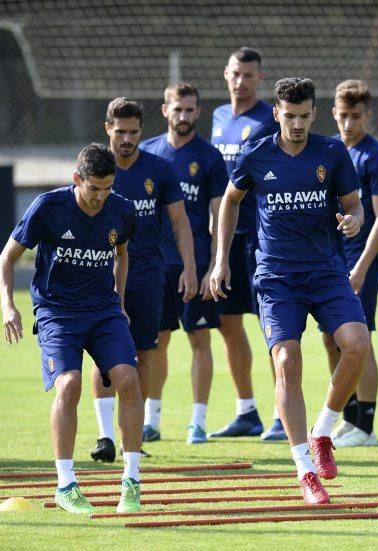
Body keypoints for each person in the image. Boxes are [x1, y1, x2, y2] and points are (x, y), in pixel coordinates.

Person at [210, 78, 370, 505]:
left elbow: (355, 204)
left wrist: (354, 220)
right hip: (277, 277)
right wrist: (221, 259)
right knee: (287, 359)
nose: (297, 124)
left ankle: (322, 432)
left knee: (356, 345)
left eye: (304, 116)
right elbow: (229, 201)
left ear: (313, 114)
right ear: (277, 113)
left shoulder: (331, 152)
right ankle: (304, 469)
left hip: (325, 270)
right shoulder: (257, 153)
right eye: (289, 116)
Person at [0, 143, 143, 514]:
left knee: (128, 378)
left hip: (104, 310)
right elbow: (6, 259)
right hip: (57, 312)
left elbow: (122, 254)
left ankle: (132, 480)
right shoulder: (48, 207)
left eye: (108, 188)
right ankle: (66, 484)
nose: (101, 197)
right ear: (77, 179)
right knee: (70, 384)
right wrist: (8, 305)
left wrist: (120, 302)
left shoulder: (122, 210)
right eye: (94, 188)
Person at [88, 97, 197, 461]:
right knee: (102, 354)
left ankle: (131, 437)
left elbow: (180, 222)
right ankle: (104, 438)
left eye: (134, 132)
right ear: (108, 129)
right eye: (120, 132)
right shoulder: (94, 167)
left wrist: (190, 266)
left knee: (144, 355)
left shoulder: (160, 170)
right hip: (101, 276)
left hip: (149, 274)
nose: (127, 139)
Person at [141, 82, 228, 444]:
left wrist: (213, 265)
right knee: (155, 343)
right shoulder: (147, 154)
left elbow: (220, 213)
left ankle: (198, 421)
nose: (184, 116)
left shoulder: (208, 157)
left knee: (199, 340)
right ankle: (152, 420)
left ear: (198, 112)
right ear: (165, 111)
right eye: (177, 109)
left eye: (190, 110)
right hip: (153, 265)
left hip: (195, 263)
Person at [209, 47, 285, 441]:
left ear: (260, 79)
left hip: (260, 235)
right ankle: (246, 411)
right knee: (226, 323)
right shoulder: (218, 118)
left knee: (271, 325)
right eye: (236, 73)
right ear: (226, 74)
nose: (241, 81)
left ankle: (280, 413)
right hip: (226, 236)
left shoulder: (268, 120)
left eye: (249, 75)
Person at [323, 80, 378, 448]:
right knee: (330, 338)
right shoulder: (330, 152)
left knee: (360, 340)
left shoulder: (375, 156)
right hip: (331, 260)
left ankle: (366, 425)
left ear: (368, 116)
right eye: (343, 115)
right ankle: (348, 419)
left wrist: (362, 266)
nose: (349, 123)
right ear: (333, 113)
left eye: (356, 116)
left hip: (361, 261)